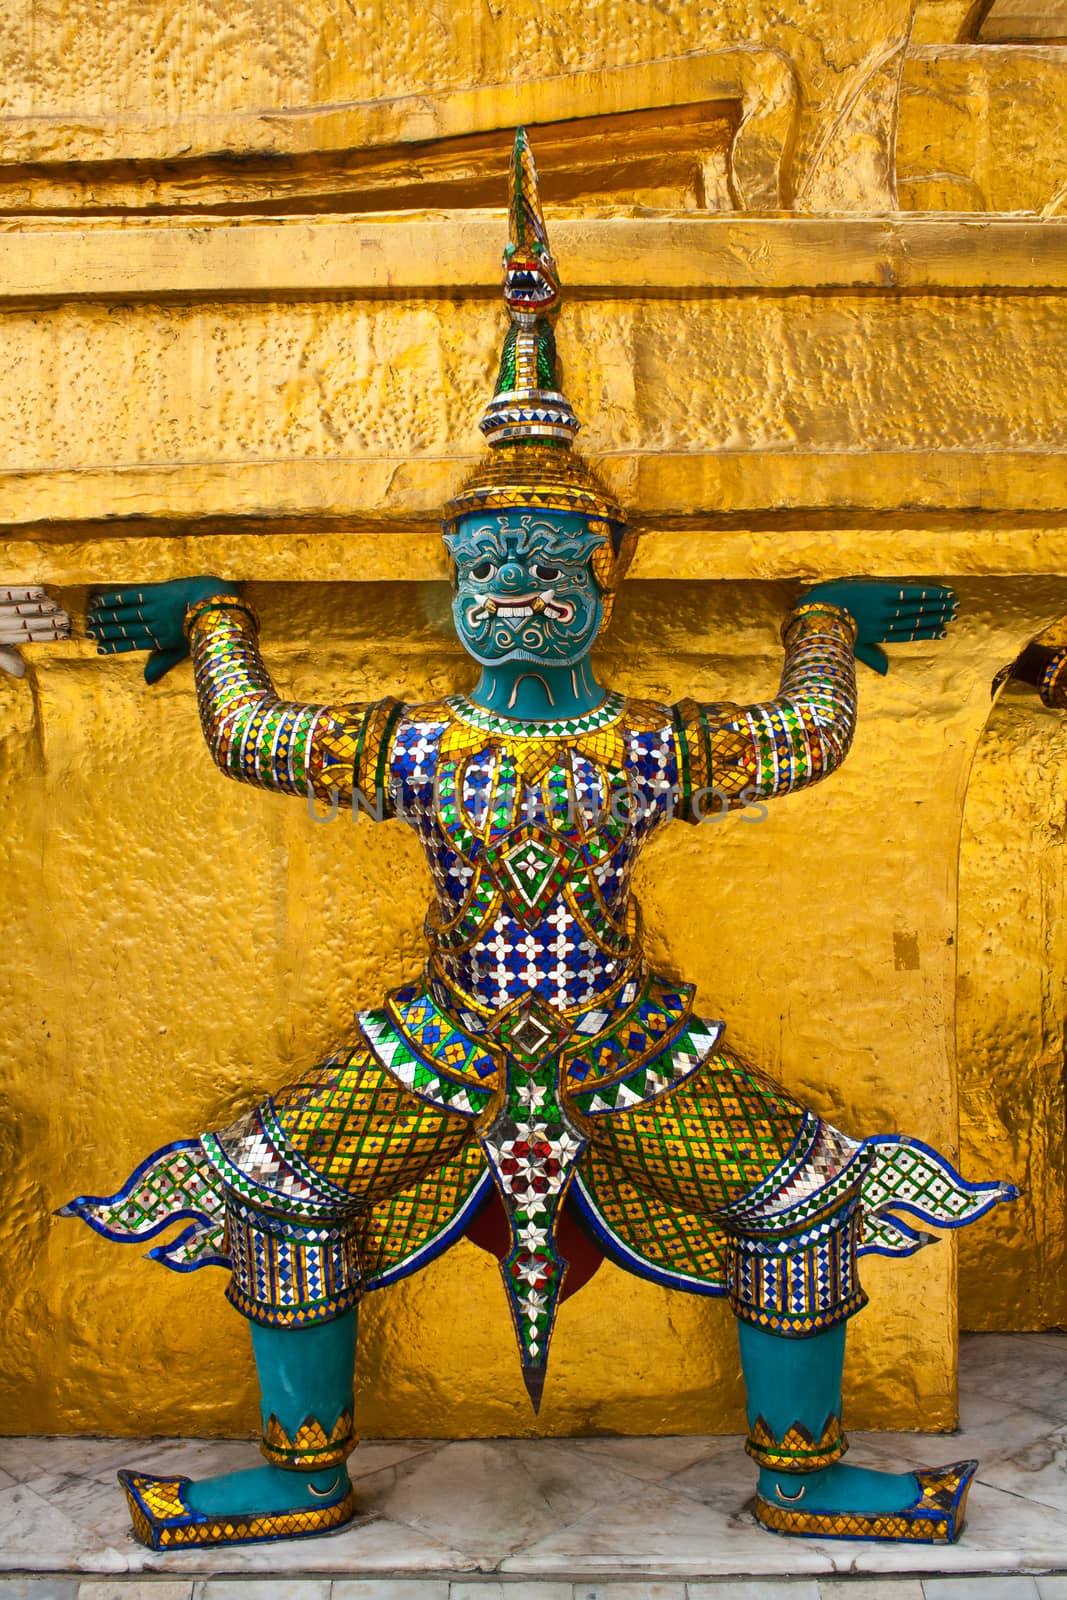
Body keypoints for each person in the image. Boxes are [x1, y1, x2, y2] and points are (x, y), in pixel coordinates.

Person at [64, 130, 1013, 1552]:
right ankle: (301, 1468)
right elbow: (251, 738)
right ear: (453, 582)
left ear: (604, 578)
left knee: (807, 1190)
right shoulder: (417, 745)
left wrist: (825, 628)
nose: (516, 586)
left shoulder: (646, 746)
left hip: (630, 1045)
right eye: (490, 563)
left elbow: (807, 739)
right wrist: (215, 626)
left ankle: (803, 1470)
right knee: (269, 1182)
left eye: (549, 563)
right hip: (439, 1041)